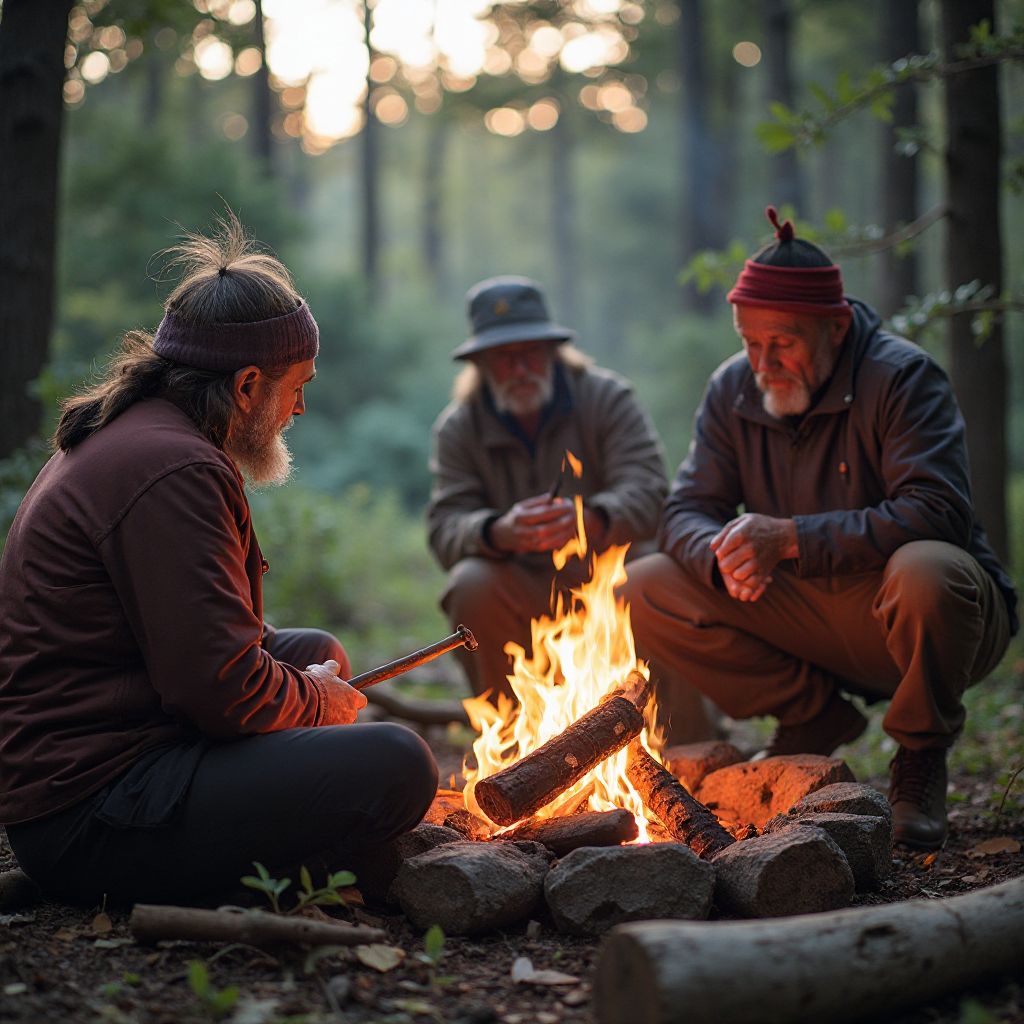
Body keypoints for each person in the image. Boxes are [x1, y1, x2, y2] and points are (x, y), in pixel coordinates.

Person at [0, 214, 437, 905]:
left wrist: (304, 689)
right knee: (399, 762)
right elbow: (221, 690)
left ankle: (289, 858)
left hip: (124, 754)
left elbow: (197, 646)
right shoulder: (173, 470)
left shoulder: (147, 436)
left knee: (317, 650)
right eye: (298, 386)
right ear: (246, 386)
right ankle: (276, 877)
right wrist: (314, 702)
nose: (300, 407)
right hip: (94, 810)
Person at [623, 207, 1017, 850]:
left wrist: (791, 538)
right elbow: (683, 512)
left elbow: (938, 510)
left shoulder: (903, 377)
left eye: (782, 343)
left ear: (834, 328)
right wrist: (723, 555)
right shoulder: (733, 389)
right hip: (810, 615)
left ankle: (919, 757)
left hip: (925, 614)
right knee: (643, 584)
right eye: (751, 343)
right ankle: (813, 715)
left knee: (926, 568)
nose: (762, 362)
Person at [427, 274, 717, 743]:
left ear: (552, 351)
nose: (520, 367)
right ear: (481, 364)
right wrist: (499, 531)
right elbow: (445, 527)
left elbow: (652, 493)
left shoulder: (607, 398)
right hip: (518, 581)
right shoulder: (459, 427)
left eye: (530, 352)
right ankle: (514, 745)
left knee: (652, 577)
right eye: (503, 357)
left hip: (609, 570)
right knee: (471, 586)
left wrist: (592, 519)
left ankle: (681, 739)